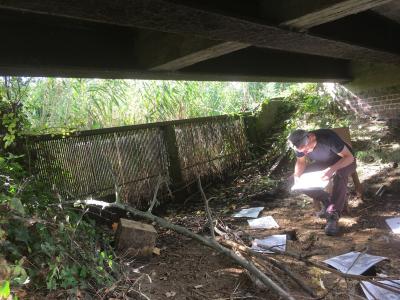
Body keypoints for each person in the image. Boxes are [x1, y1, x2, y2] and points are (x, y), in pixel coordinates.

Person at [287, 128, 356, 236]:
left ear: (311, 138)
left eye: (306, 150)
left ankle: (333, 216)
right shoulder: (299, 143)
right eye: (301, 151)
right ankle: (327, 200)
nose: (304, 153)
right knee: (292, 181)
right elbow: (300, 162)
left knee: (340, 175)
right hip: (324, 163)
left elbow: (349, 157)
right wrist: (297, 176)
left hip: (344, 161)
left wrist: (331, 170)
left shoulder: (327, 138)